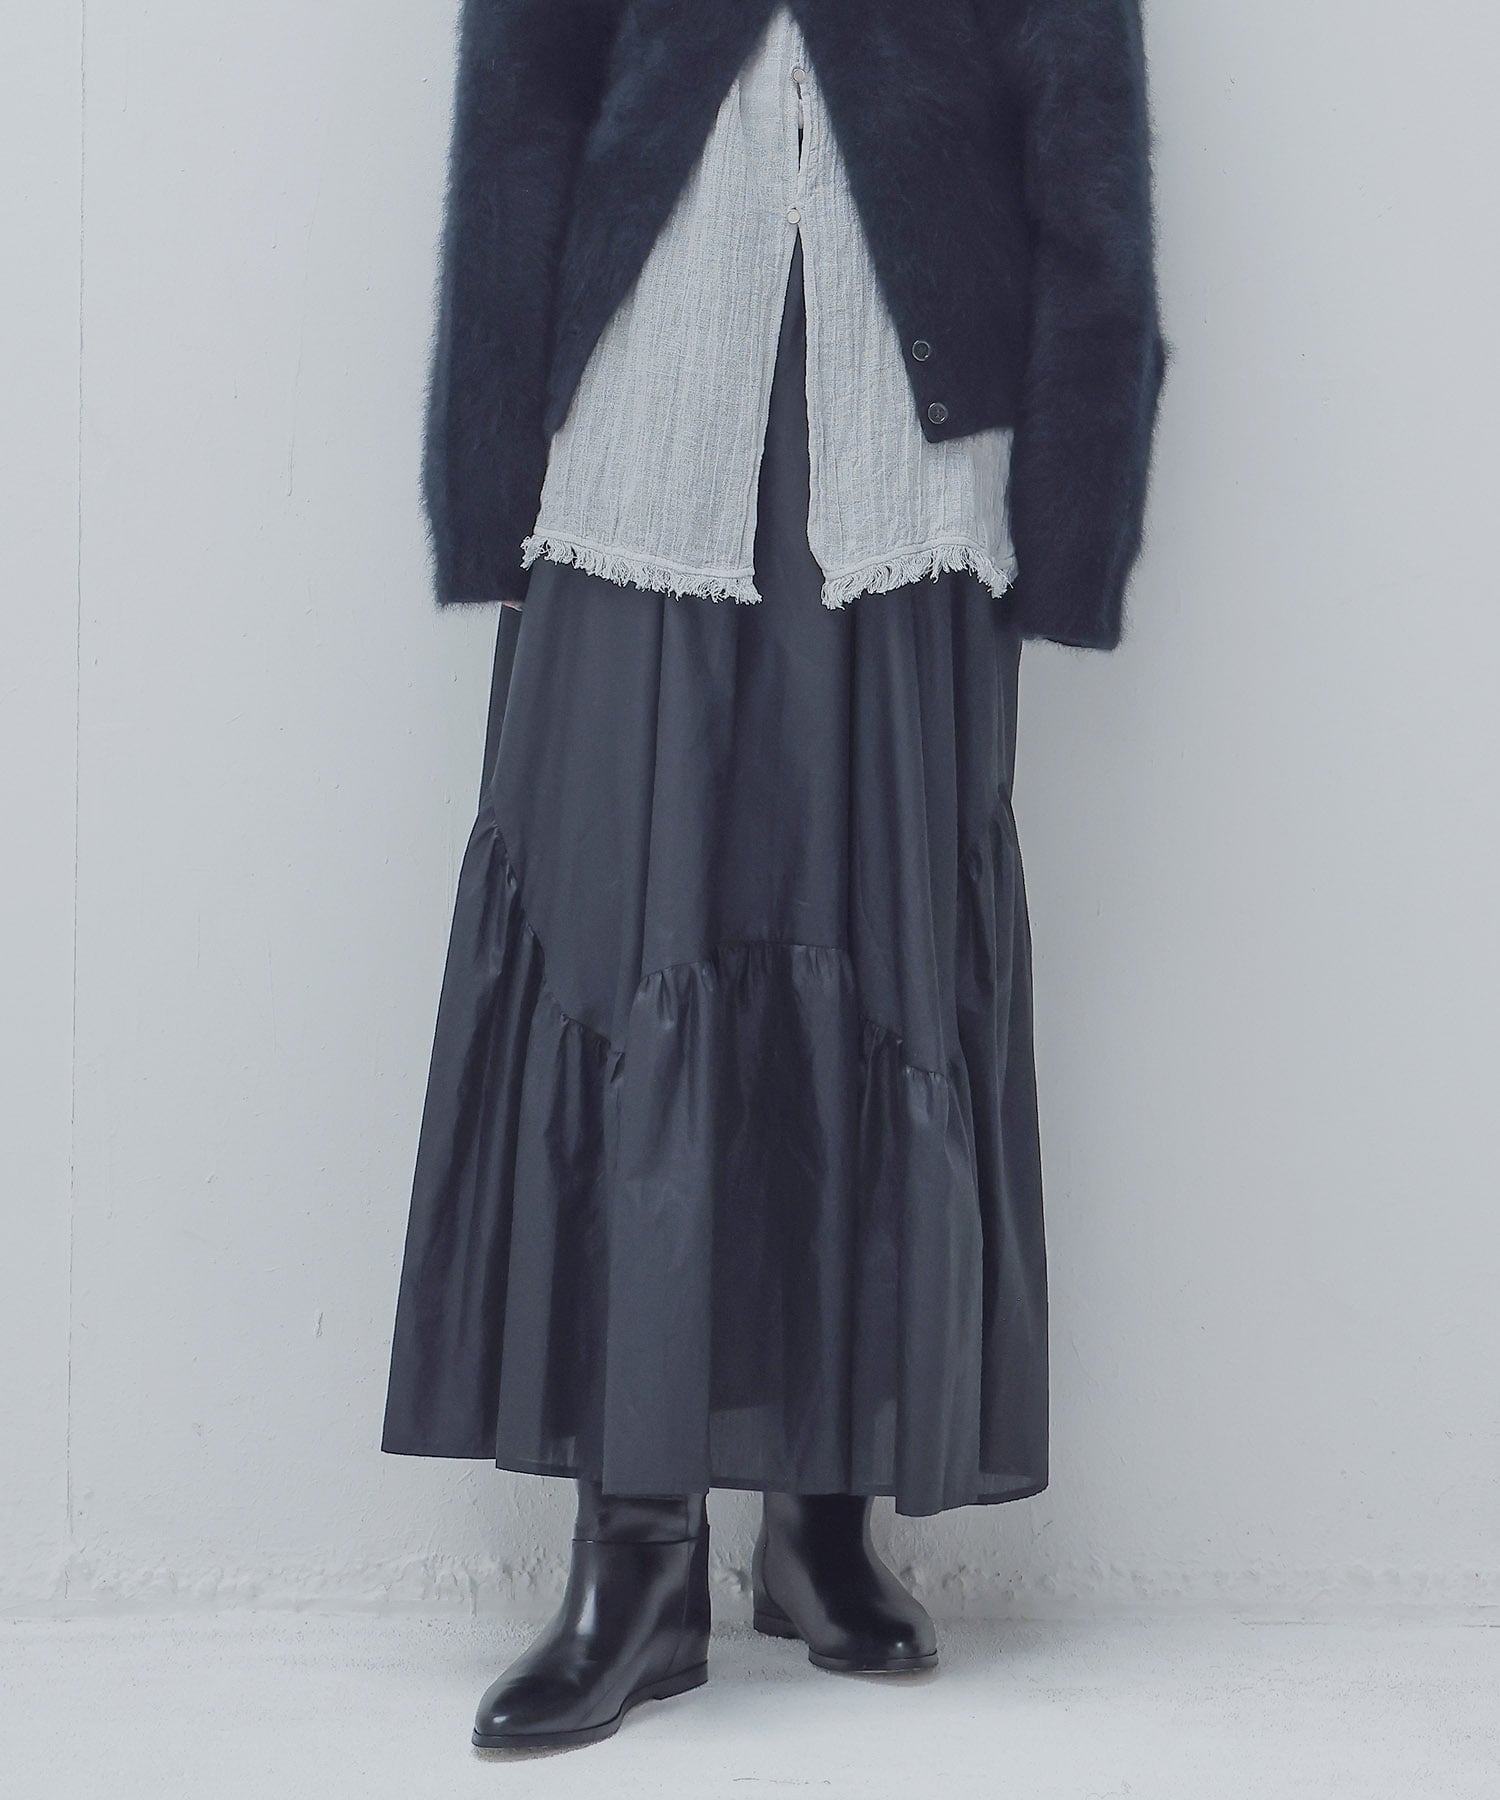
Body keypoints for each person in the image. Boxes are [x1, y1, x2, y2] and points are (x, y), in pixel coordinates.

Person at [382, 0, 1167, 1752]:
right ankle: (636, 1547)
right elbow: (523, 97)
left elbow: (1082, 123)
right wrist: (485, 457)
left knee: (882, 927)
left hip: (909, 398)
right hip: (649, 381)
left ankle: (824, 1515)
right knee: (620, 921)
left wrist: (1082, 496)